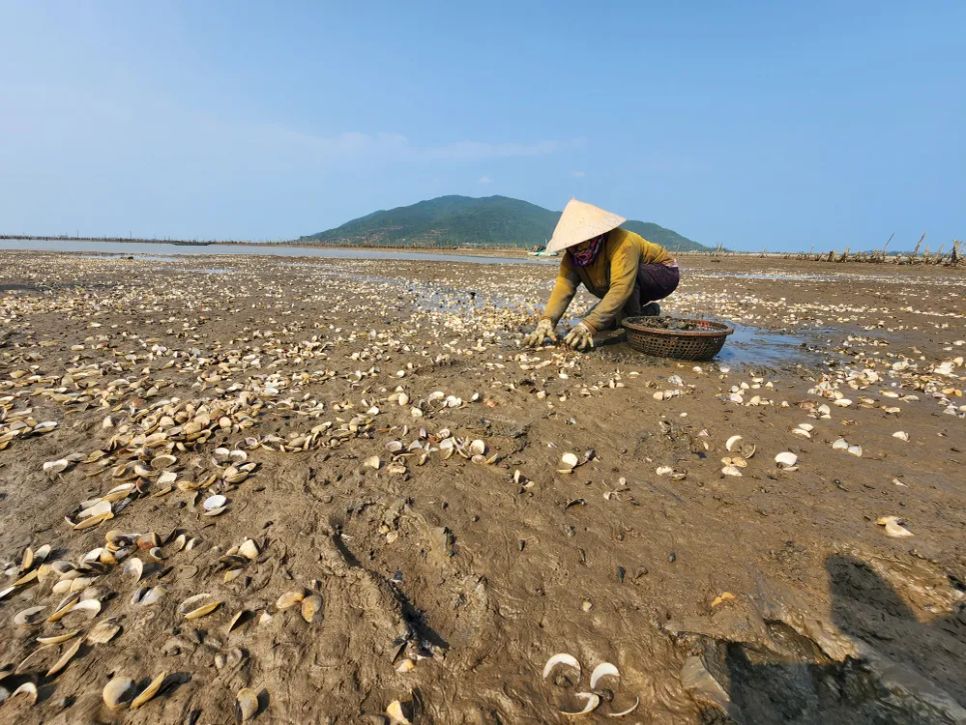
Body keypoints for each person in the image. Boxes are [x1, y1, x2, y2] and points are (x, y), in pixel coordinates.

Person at [525, 199, 680, 350]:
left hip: (661, 273)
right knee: (596, 316)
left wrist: (589, 326)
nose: (577, 248)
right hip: (626, 282)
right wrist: (547, 321)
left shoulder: (623, 242)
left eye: (581, 241)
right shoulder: (572, 257)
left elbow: (621, 287)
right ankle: (648, 312)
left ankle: (632, 322)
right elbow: (564, 286)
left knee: (602, 316)